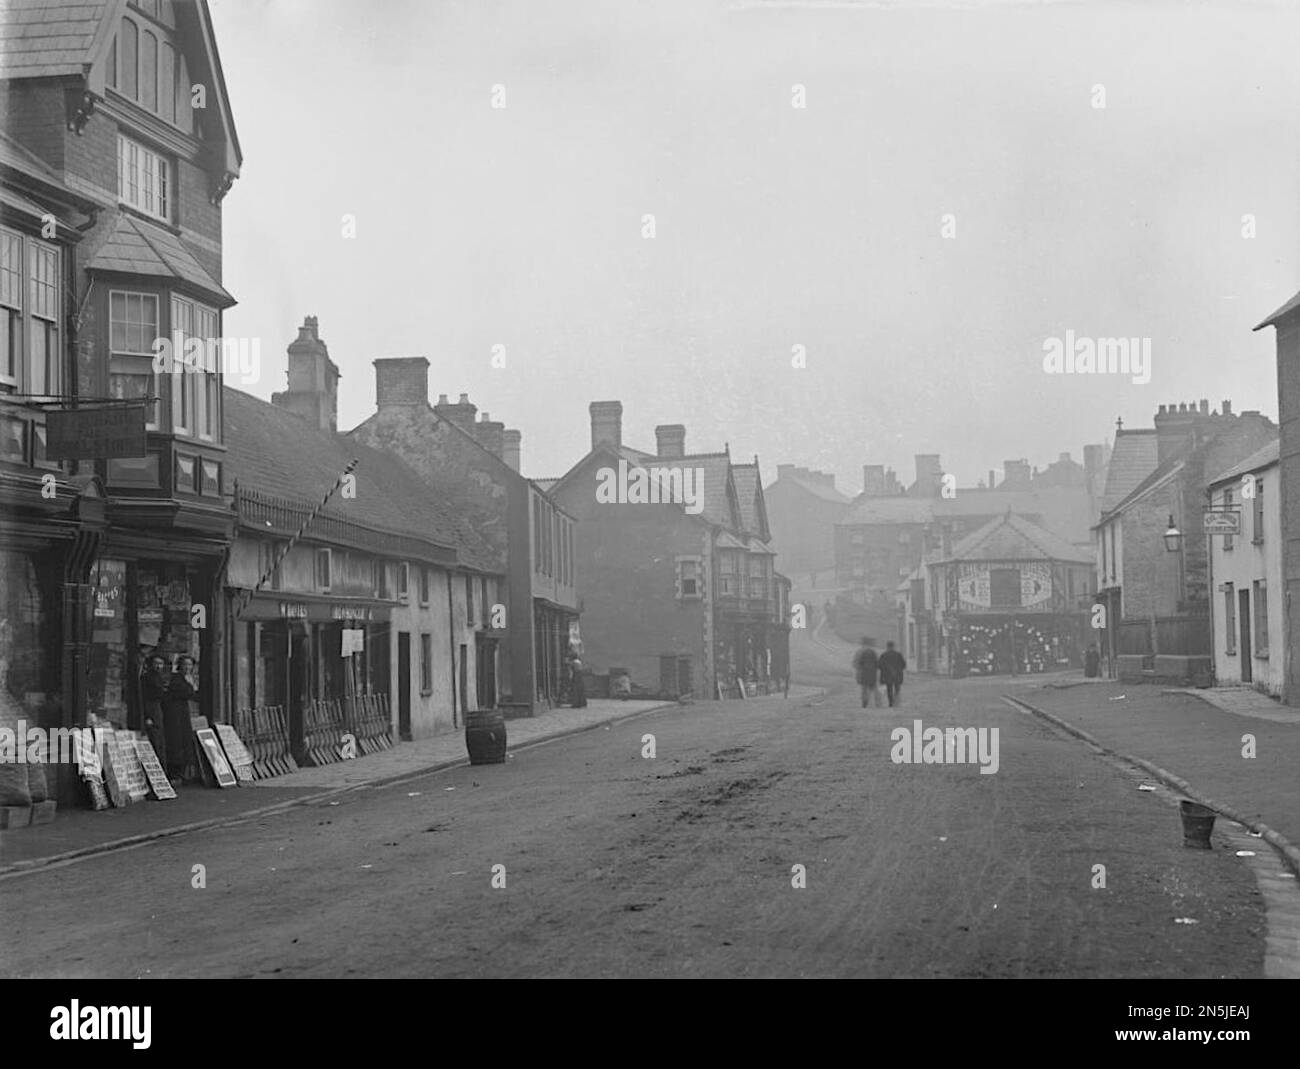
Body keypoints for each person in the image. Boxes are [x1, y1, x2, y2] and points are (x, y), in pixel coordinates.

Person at [165, 655, 199, 783]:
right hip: (175, 714)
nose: (187, 667)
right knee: (176, 741)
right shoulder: (177, 679)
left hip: (183, 712)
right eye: (185, 664)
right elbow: (187, 692)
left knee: (184, 740)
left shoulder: (187, 679)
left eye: (190, 665)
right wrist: (191, 685)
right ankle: (175, 771)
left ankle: (182, 770)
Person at [140, 652, 171, 772]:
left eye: (161, 664)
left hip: (158, 708)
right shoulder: (148, 678)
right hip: (151, 708)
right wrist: (147, 716)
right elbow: (145, 696)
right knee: (155, 738)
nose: (158, 666)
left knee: (159, 737)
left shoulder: (159, 677)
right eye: (156, 663)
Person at [852, 637, 881, 708]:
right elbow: (878, 663)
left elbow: (856, 663)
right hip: (872, 673)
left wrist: (858, 670)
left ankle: (865, 703)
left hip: (863, 673)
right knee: (874, 688)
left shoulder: (859, 652)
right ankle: (877, 703)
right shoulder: (873, 652)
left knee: (864, 689)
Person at [879, 641, 907, 707]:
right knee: (897, 689)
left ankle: (890, 703)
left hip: (887, 675)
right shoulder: (898, 654)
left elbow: (879, 665)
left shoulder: (883, 655)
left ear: (887, 646)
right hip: (897, 675)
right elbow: (904, 665)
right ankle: (896, 703)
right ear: (893, 646)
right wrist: (899, 669)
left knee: (889, 689)